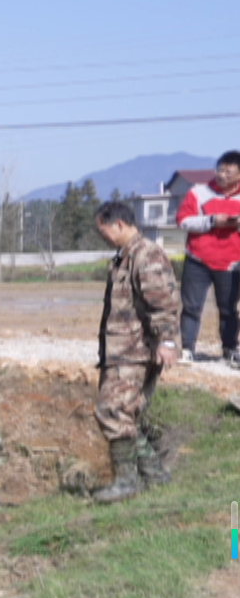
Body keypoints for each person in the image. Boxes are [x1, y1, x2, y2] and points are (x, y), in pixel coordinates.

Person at [90, 200, 180, 504]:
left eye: (103, 230)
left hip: (135, 351)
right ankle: (155, 476)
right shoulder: (125, 257)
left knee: (111, 410)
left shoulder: (146, 255)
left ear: (118, 224)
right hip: (122, 350)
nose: (101, 237)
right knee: (123, 414)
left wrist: (166, 341)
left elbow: (163, 302)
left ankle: (126, 483)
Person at [176, 150, 240, 368]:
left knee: (229, 308)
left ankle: (230, 350)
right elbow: (183, 221)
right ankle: (186, 349)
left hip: (231, 263)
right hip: (198, 259)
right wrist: (211, 221)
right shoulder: (198, 192)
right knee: (191, 306)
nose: (221, 175)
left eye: (228, 172)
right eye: (219, 170)